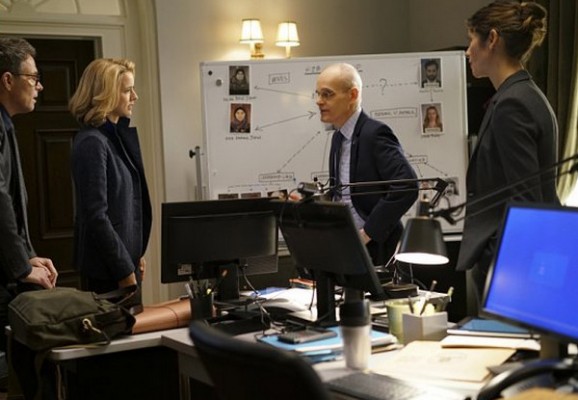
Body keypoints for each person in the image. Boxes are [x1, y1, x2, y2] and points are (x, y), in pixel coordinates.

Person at [456, 0, 559, 314]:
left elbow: (525, 199)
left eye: (472, 40)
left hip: (509, 263)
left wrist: (495, 258)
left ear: (492, 39)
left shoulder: (514, 104)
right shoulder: (521, 95)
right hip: (513, 257)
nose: (467, 51)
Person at [69, 58, 151, 313]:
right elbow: (96, 216)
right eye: (127, 90)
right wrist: (124, 268)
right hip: (108, 272)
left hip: (125, 265)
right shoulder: (92, 142)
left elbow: (127, 206)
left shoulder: (114, 138)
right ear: (105, 95)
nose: (135, 97)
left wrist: (136, 253)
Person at [0, 37, 58, 391]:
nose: (39, 86)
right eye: (33, 77)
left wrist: (29, 255)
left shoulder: (6, 123)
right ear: (8, 80)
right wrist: (22, 267)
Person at [316, 63, 418, 266]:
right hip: (348, 246)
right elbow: (344, 193)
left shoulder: (375, 133)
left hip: (378, 249)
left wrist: (367, 233)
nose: (319, 101)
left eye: (327, 94)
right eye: (318, 94)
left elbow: (406, 185)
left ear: (352, 95)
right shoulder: (338, 137)